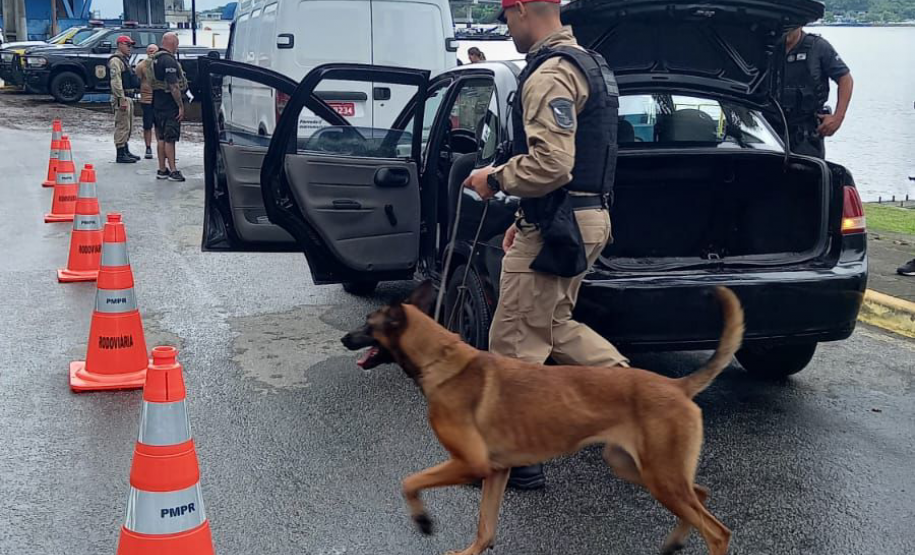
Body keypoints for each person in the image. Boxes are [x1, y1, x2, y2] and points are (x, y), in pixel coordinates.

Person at [462, 0, 627, 490]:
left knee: (513, 340)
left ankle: (518, 458)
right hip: (581, 219)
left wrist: (494, 178)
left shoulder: (550, 73)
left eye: (506, 20)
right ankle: (633, 396)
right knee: (552, 325)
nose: (507, 31)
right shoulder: (592, 64)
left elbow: (552, 165)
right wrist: (523, 216)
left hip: (560, 225)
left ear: (521, 10)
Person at [780, 26, 853, 159]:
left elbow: (845, 79)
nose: (786, 32)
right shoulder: (767, 47)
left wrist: (838, 118)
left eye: (791, 27)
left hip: (806, 132)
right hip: (771, 127)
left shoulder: (818, 47)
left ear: (801, 24)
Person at [149, 32, 188, 182]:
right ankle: (173, 170)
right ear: (173, 43)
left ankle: (162, 169)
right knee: (170, 139)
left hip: (156, 103)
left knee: (161, 138)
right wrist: (180, 105)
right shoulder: (169, 60)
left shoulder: (154, 59)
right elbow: (173, 85)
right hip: (169, 105)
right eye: (177, 43)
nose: (177, 47)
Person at [108, 35, 140, 163]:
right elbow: (116, 81)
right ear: (120, 45)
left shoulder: (124, 60)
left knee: (128, 125)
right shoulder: (116, 61)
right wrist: (121, 98)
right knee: (122, 125)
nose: (129, 48)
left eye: (130, 45)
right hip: (122, 97)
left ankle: (125, 149)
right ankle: (120, 153)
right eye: (128, 45)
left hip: (128, 96)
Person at [135, 43, 159, 159]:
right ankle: (148, 147)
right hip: (146, 99)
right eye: (149, 50)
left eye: (154, 50)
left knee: (159, 125)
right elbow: (138, 78)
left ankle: (161, 146)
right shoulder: (142, 65)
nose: (151, 52)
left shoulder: (160, 64)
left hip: (159, 99)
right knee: (147, 125)